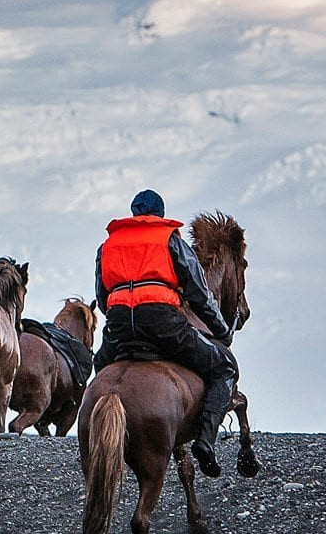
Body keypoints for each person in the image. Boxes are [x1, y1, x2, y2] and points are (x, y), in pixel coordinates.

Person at [93, 190, 237, 477]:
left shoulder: (108, 244)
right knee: (223, 368)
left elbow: (101, 295)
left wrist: (122, 319)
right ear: (159, 214)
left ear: (134, 213)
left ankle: (92, 435)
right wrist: (221, 330)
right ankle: (206, 442)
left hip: (120, 324)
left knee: (101, 369)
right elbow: (199, 292)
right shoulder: (169, 238)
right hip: (162, 322)